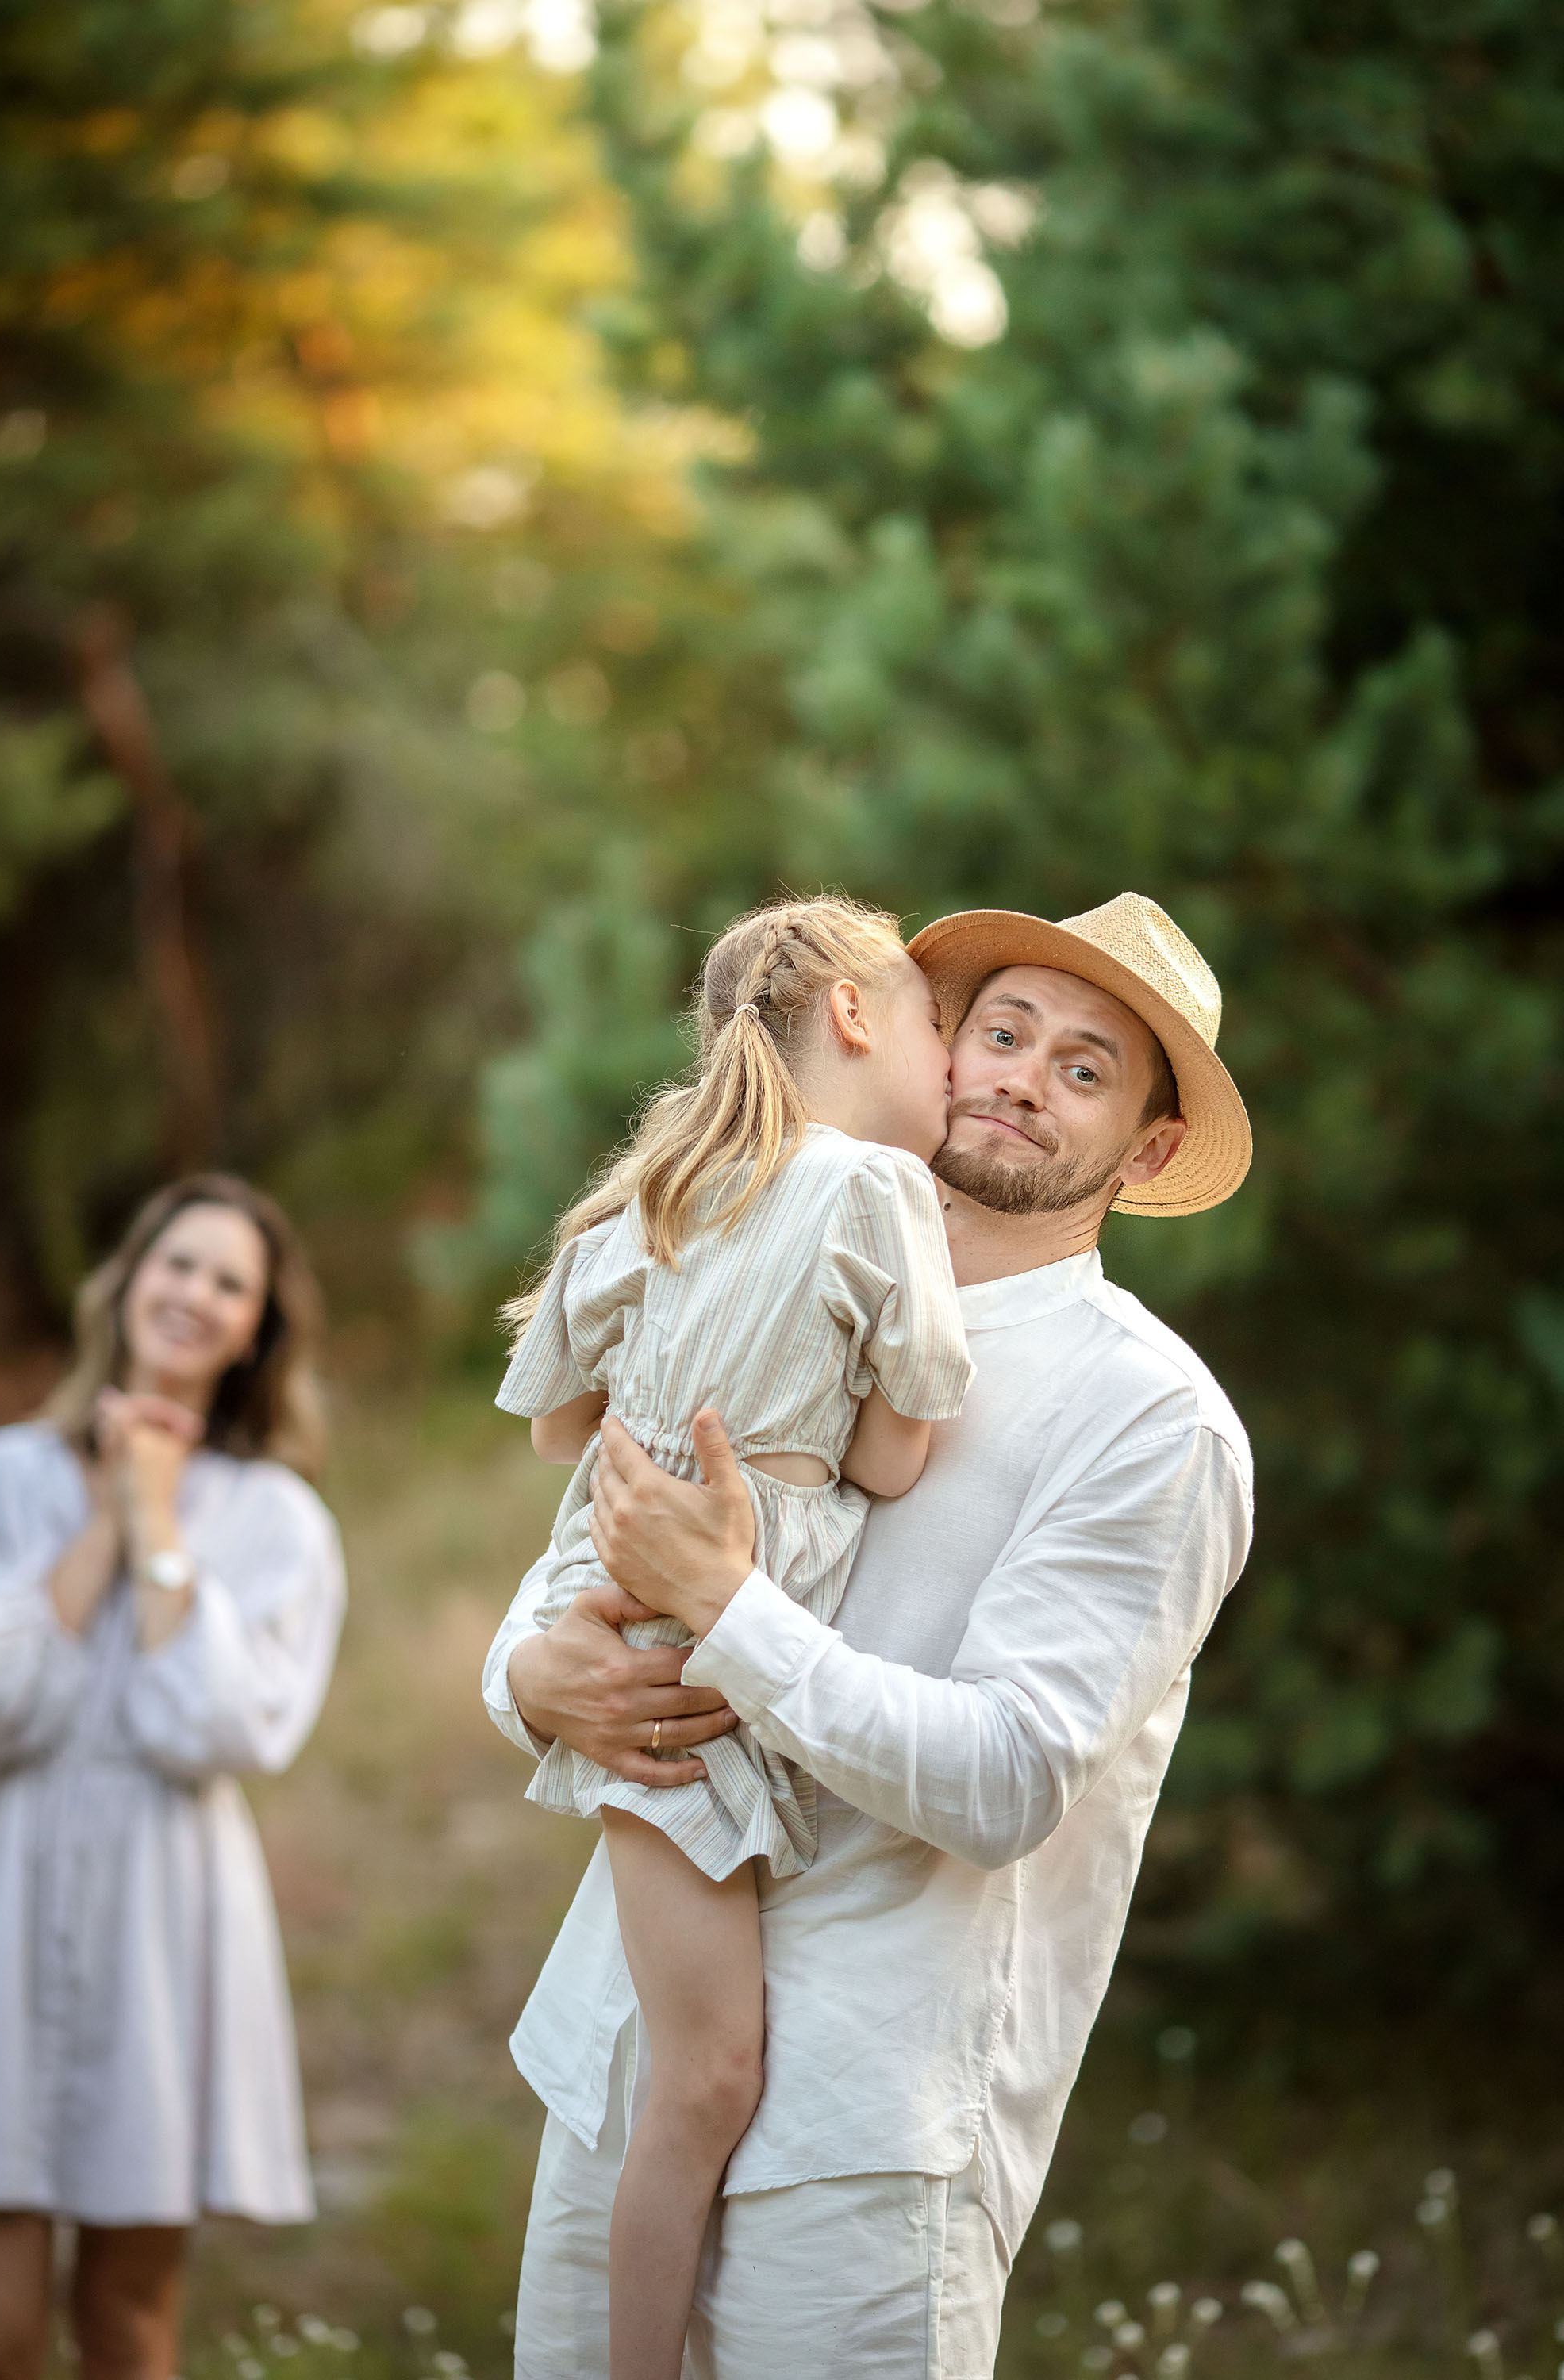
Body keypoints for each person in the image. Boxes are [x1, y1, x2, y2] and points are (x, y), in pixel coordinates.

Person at [484, 892, 1256, 2380]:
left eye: (1087, 1070)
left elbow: (1007, 1782)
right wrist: (528, 1672)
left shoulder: (1152, 1423)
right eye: (1004, 1032)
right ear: (932, 1047)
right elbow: (598, 1520)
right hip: (623, 2062)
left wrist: (732, 1610)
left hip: (864, 2133)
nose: (1025, 1077)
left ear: (1147, 1152)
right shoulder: (746, 1240)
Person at [495, 896, 974, 2380]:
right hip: (707, 1641)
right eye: (935, 1024)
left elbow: (556, 1428)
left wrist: (657, 1431)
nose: (951, 1066)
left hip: (619, 1601)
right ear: (849, 1013)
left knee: (698, 2069)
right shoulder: (879, 1191)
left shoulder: (659, 1189)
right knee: (706, 2080)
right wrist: (789, 1464)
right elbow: (898, 1462)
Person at [0, 1176, 347, 2380]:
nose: (196, 1295)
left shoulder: (278, 1520)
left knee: (131, 2320)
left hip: (164, 1916)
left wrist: (162, 1523)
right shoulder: (5, 1480)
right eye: (177, 1264)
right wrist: (107, 1515)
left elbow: (217, 1730)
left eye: (230, 1282)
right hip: (0, 1894)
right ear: (129, 1281)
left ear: (258, 1331)